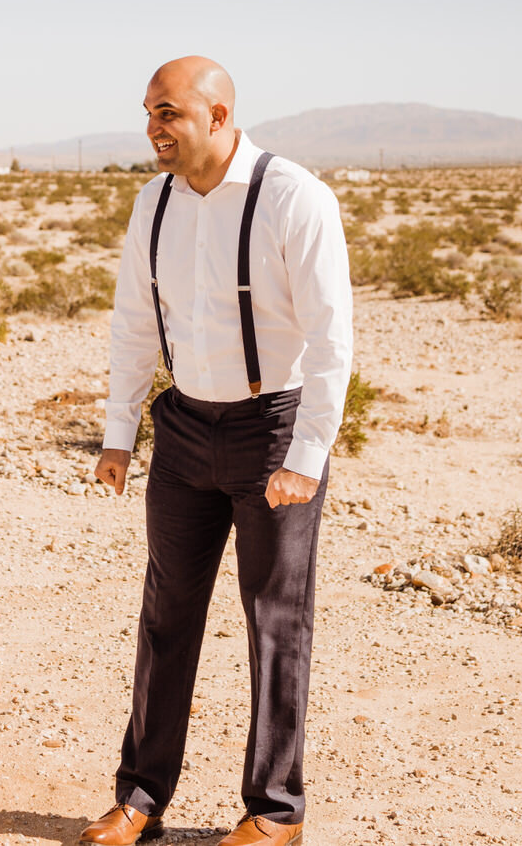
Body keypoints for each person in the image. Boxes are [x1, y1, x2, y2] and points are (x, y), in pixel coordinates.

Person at [80, 58, 353, 846]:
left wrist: (306, 452)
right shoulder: (152, 203)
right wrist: (119, 434)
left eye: (168, 112)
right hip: (184, 429)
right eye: (147, 113)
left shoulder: (293, 197)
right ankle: (139, 798)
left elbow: (333, 340)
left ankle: (274, 813)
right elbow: (134, 320)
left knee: (276, 621)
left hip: (274, 428)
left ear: (220, 114)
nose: (153, 128)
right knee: (166, 614)